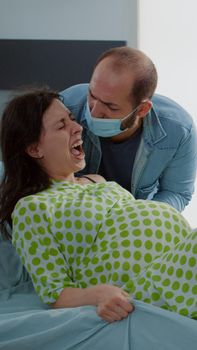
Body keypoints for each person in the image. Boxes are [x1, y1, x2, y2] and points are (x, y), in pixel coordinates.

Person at [0, 89, 196, 323]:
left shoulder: (97, 180)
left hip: (173, 259)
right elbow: (54, 291)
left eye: (72, 119)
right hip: (140, 285)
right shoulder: (32, 207)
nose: (78, 127)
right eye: (62, 126)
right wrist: (99, 294)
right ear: (34, 149)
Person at [60, 46, 197, 212]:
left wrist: (139, 218)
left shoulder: (180, 130)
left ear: (142, 109)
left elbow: (176, 193)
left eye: (110, 106)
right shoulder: (64, 107)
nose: (94, 112)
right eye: (92, 95)